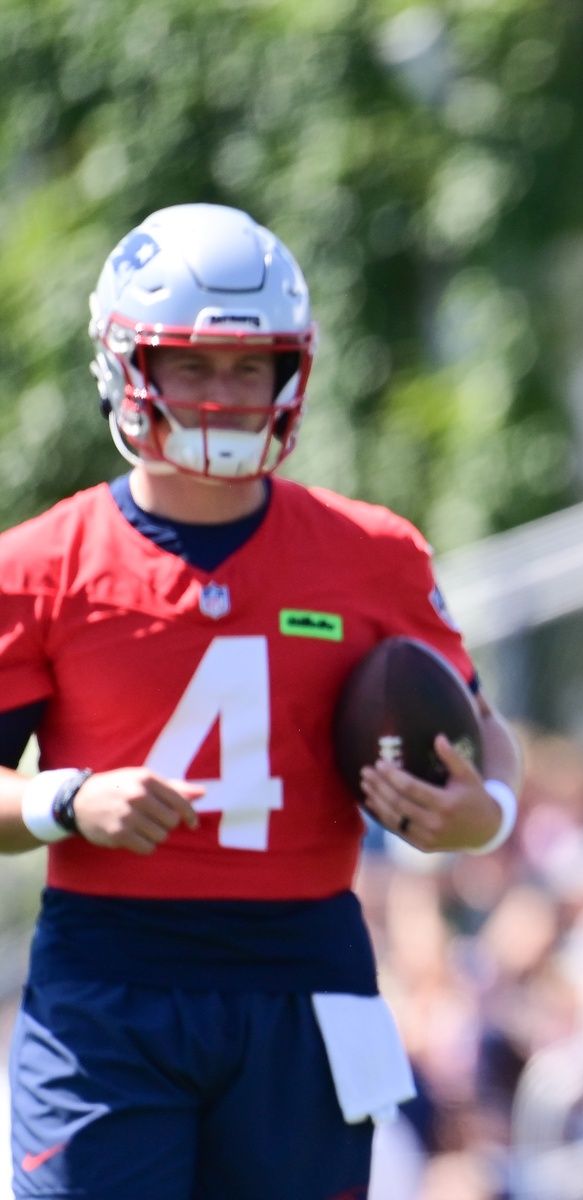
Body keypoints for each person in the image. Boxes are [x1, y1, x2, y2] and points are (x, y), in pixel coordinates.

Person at [0, 203, 523, 1199]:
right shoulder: (40, 565)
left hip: (305, 968)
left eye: (251, 368)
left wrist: (482, 812)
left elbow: (485, 733)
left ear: (293, 372)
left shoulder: (373, 553)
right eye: (191, 366)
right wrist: (62, 800)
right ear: (126, 366)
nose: (224, 396)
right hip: (111, 979)